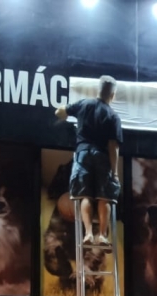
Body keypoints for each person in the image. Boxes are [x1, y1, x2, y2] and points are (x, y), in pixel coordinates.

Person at [55, 75, 123, 245]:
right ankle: (103, 235)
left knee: (85, 196)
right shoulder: (113, 116)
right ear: (112, 95)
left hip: (83, 153)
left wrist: (64, 115)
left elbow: (59, 112)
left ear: (98, 90)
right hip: (102, 156)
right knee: (104, 197)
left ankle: (88, 234)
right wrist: (115, 173)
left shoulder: (84, 104)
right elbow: (113, 146)